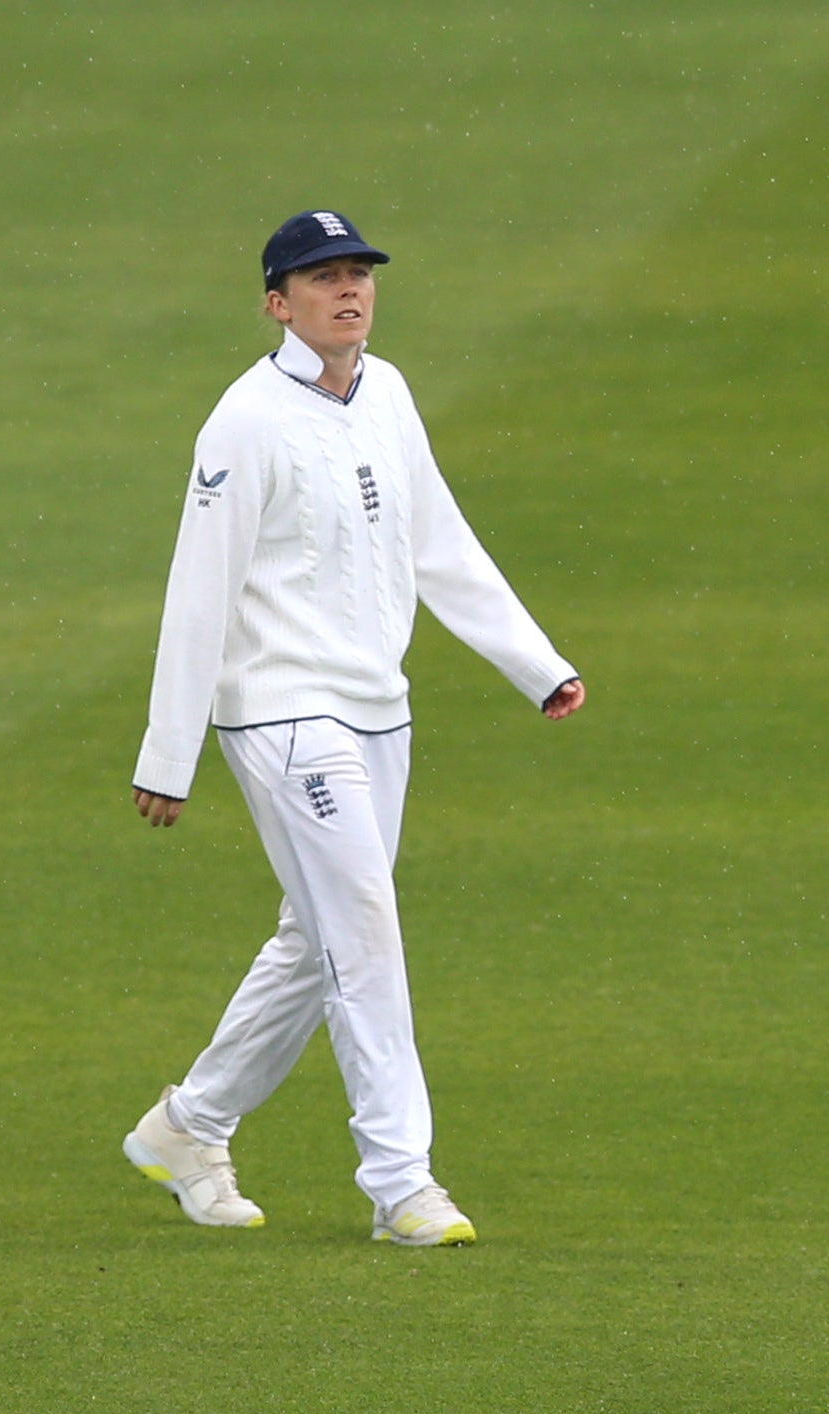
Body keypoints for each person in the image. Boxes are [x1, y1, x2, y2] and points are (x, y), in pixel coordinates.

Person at [119, 209, 586, 1247]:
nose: (349, 291)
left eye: (359, 274)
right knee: (365, 932)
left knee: (318, 934)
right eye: (322, 278)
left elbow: (439, 540)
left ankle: (186, 1127)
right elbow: (199, 590)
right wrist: (169, 751)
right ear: (277, 303)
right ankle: (399, 1180)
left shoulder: (389, 393)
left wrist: (534, 661)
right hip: (282, 711)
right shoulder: (242, 422)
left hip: (381, 706)